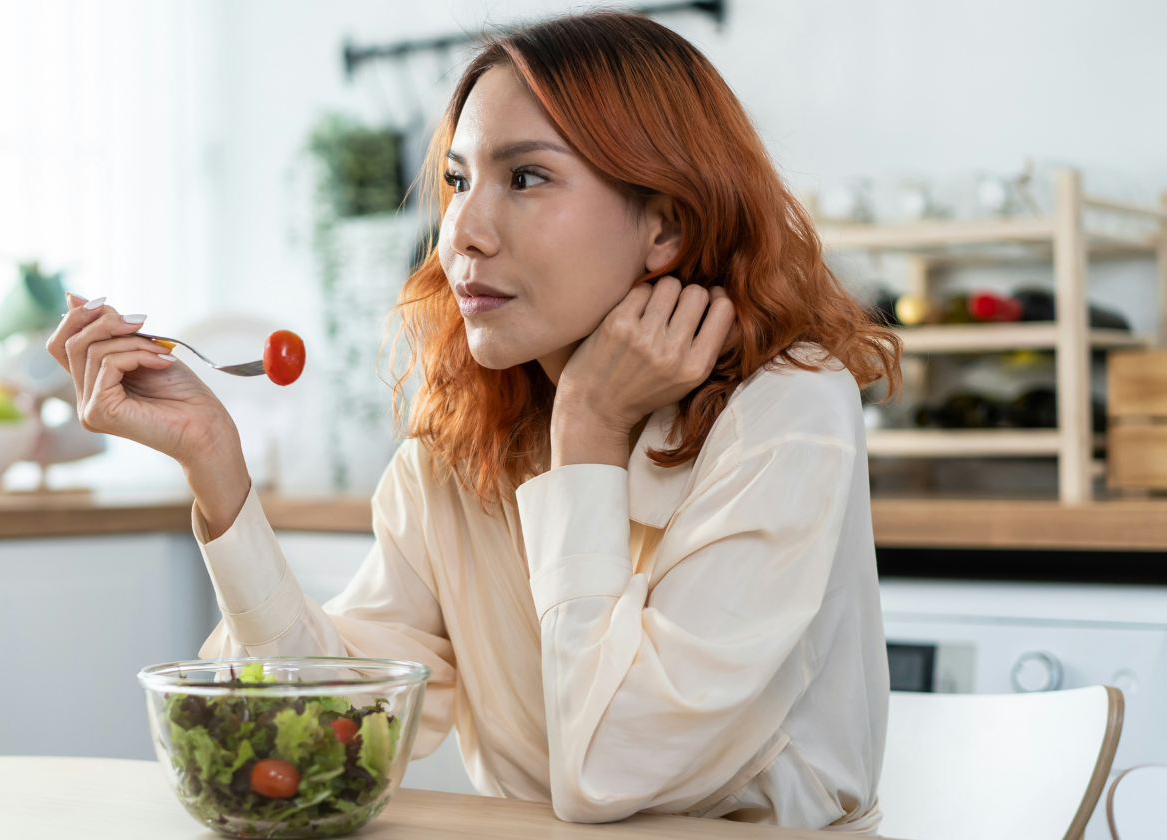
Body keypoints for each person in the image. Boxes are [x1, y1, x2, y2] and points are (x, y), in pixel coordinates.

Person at [48, 10, 900, 832]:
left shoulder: (788, 410)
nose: (462, 232)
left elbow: (611, 771)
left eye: (525, 177)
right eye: (457, 181)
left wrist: (590, 432)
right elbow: (324, 733)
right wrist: (217, 471)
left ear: (666, 225)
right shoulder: (464, 444)